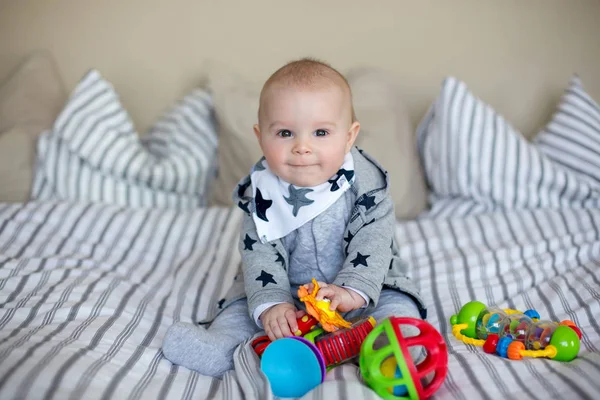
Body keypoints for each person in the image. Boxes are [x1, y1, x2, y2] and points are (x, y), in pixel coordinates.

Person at [162, 58, 427, 378]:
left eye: (320, 132)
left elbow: (373, 241)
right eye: (285, 132)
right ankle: (220, 348)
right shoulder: (260, 193)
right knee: (243, 309)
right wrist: (272, 303)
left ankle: (396, 348)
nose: (302, 147)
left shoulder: (367, 186)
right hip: (284, 289)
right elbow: (259, 250)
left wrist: (351, 291)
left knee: (396, 305)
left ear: (349, 136)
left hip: (365, 287)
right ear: (261, 137)